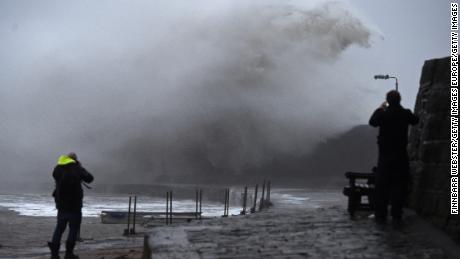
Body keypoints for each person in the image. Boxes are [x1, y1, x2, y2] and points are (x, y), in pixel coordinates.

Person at [369, 90, 418, 226]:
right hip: (401, 156)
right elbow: (416, 120)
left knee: (382, 187)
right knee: (399, 186)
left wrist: (381, 108)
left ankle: (381, 215)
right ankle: (396, 215)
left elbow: (372, 122)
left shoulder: (383, 113)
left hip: (385, 156)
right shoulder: (405, 113)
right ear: (400, 100)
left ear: (388, 100)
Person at [48, 152, 94, 259]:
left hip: (61, 204)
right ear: (75, 160)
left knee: (59, 228)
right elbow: (90, 178)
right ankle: (69, 254)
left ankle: (54, 254)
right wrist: (80, 167)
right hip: (75, 205)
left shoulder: (57, 168)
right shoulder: (77, 168)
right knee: (73, 229)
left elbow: (55, 177)